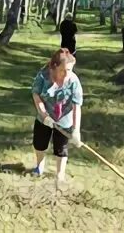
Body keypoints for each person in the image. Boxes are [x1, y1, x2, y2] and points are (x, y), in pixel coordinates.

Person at [31, 48, 84, 183]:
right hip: (45, 115)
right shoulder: (43, 76)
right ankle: (39, 167)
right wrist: (44, 115)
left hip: (64, 118)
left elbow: (76, 106)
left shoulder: (73, 81)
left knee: (61, 148)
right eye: (64, 70)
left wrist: (76, 130)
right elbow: (36, 95)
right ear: (54, 67)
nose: (68, 73)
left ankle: (60, 175)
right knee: (40, 143)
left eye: (70, 70)